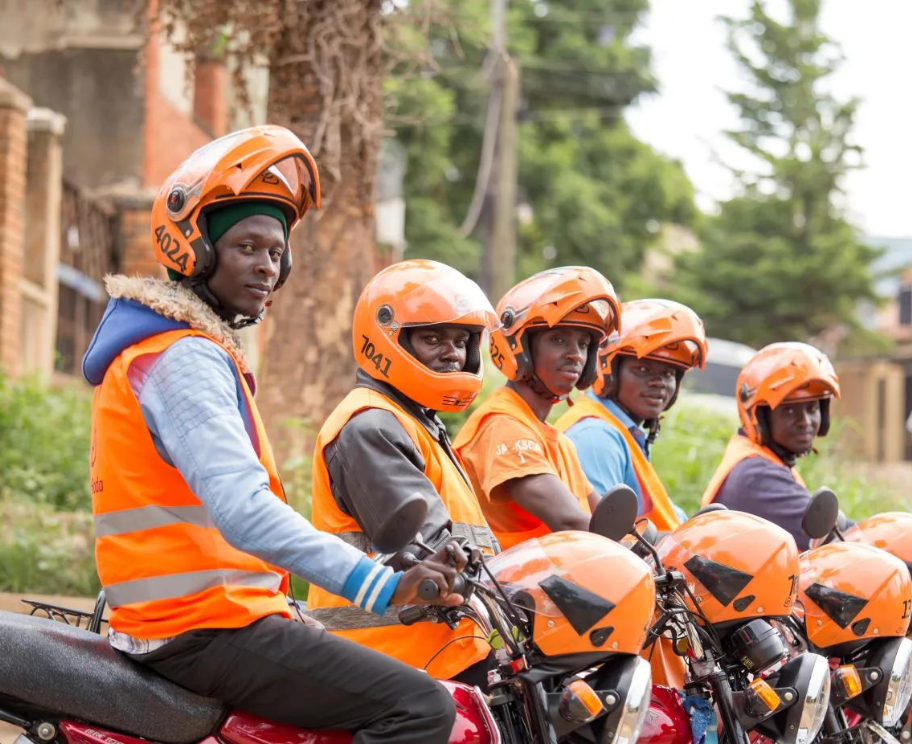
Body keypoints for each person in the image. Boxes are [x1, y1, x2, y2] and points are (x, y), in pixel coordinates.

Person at [83, 127, 462, 744]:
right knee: (420, 707)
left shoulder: (173, 350)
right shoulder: (183, 358)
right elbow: (244, 513)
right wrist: (382, 585)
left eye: (276, 251)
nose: (267, 265)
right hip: (201, 629)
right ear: (196, 250)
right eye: (246, 247)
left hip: (201, 620)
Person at [305, 259, 501, 682]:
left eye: (462, 340)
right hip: (390, 660)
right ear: (387, 340)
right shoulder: (369, 425)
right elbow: (431, 546)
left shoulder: (414, 421)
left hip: (443, 651)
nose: (452, 352)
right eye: (433, 338)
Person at [453, 267, 621, 549]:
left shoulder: (560, 444)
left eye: (583, 343)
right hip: (501, 589)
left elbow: (602, 520)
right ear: (519, 348)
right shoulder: (502, 425)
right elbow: (571, 522)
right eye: (558, 340)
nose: (575, 354)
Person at [555, 299, 708, 531]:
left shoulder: (624, 431)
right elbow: (603, 536)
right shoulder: (596, 436)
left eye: (668, 373)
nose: (659, 383)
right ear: (610, 372)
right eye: (643, 370)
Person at [699, 342, 841, 550]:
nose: (805, 421)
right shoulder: (756, 475)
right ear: (761, 418)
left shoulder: (759, 460)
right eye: (790, 411)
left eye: (811, 408)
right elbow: (838, 537)